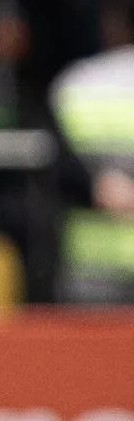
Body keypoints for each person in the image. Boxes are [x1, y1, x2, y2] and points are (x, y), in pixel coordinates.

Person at [52, 33, 134, 303]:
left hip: (90, 271)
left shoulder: (75, 83)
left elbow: (53, 162)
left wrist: (95, 185)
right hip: (93, 275)